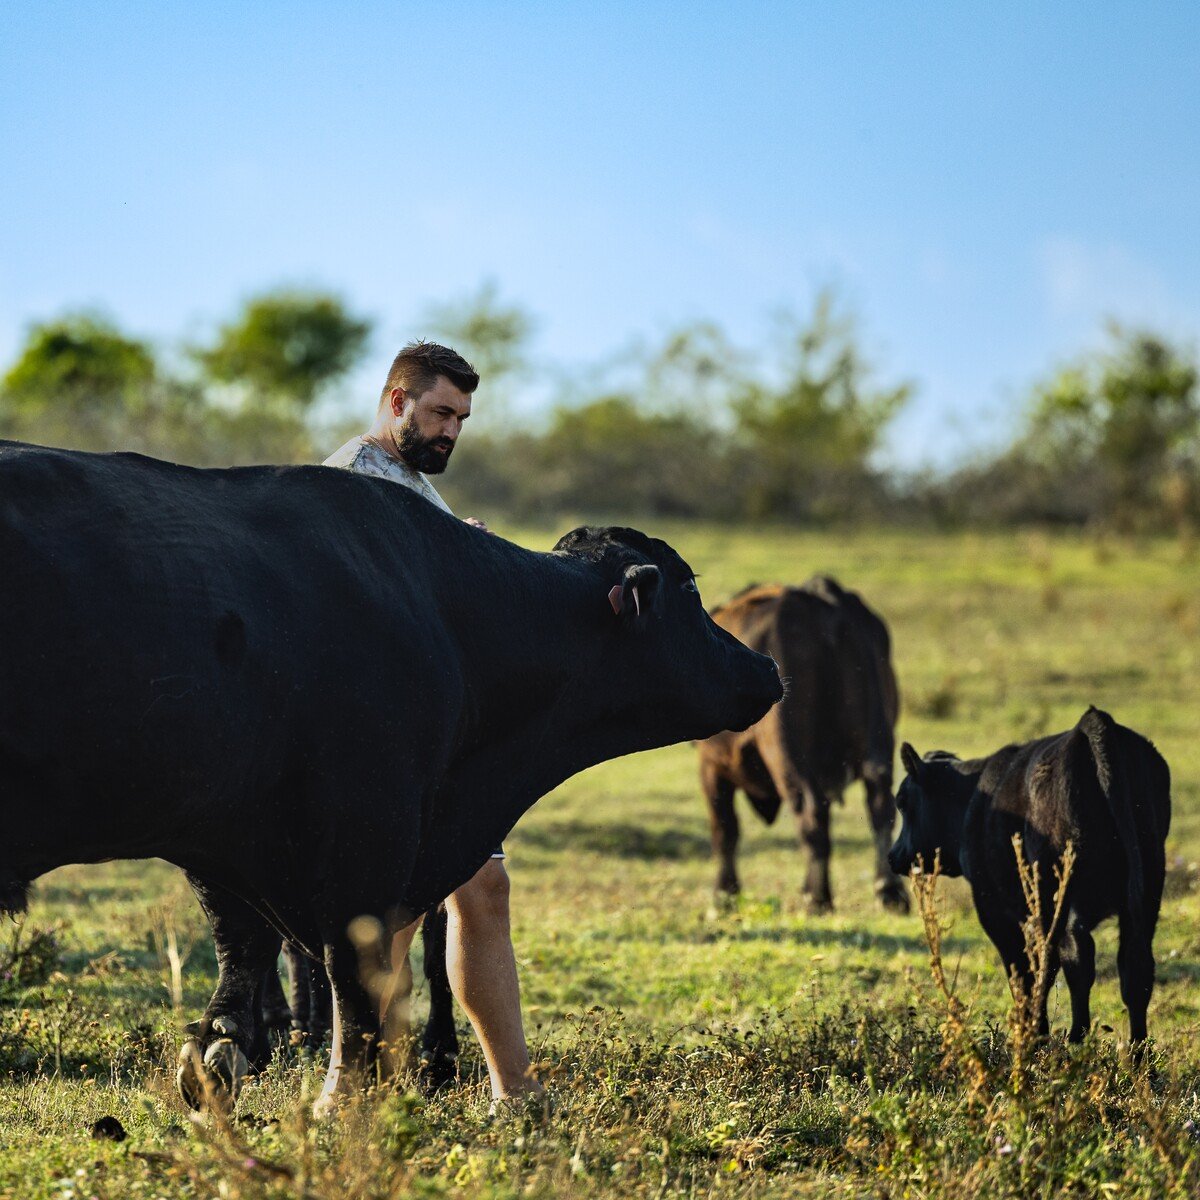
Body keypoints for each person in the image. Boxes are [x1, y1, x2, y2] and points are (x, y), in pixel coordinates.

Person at [324, 340, 542, 1103]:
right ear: (397, 402)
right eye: (441, 411)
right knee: (433, 904)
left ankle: (371, 1094)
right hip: (389, 740)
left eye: (463, 418)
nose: (453, 429)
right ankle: (493, 1093)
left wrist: (464, 555)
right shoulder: (355, 482)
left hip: (433, 738)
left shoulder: (408, 483)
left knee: (460, 899)